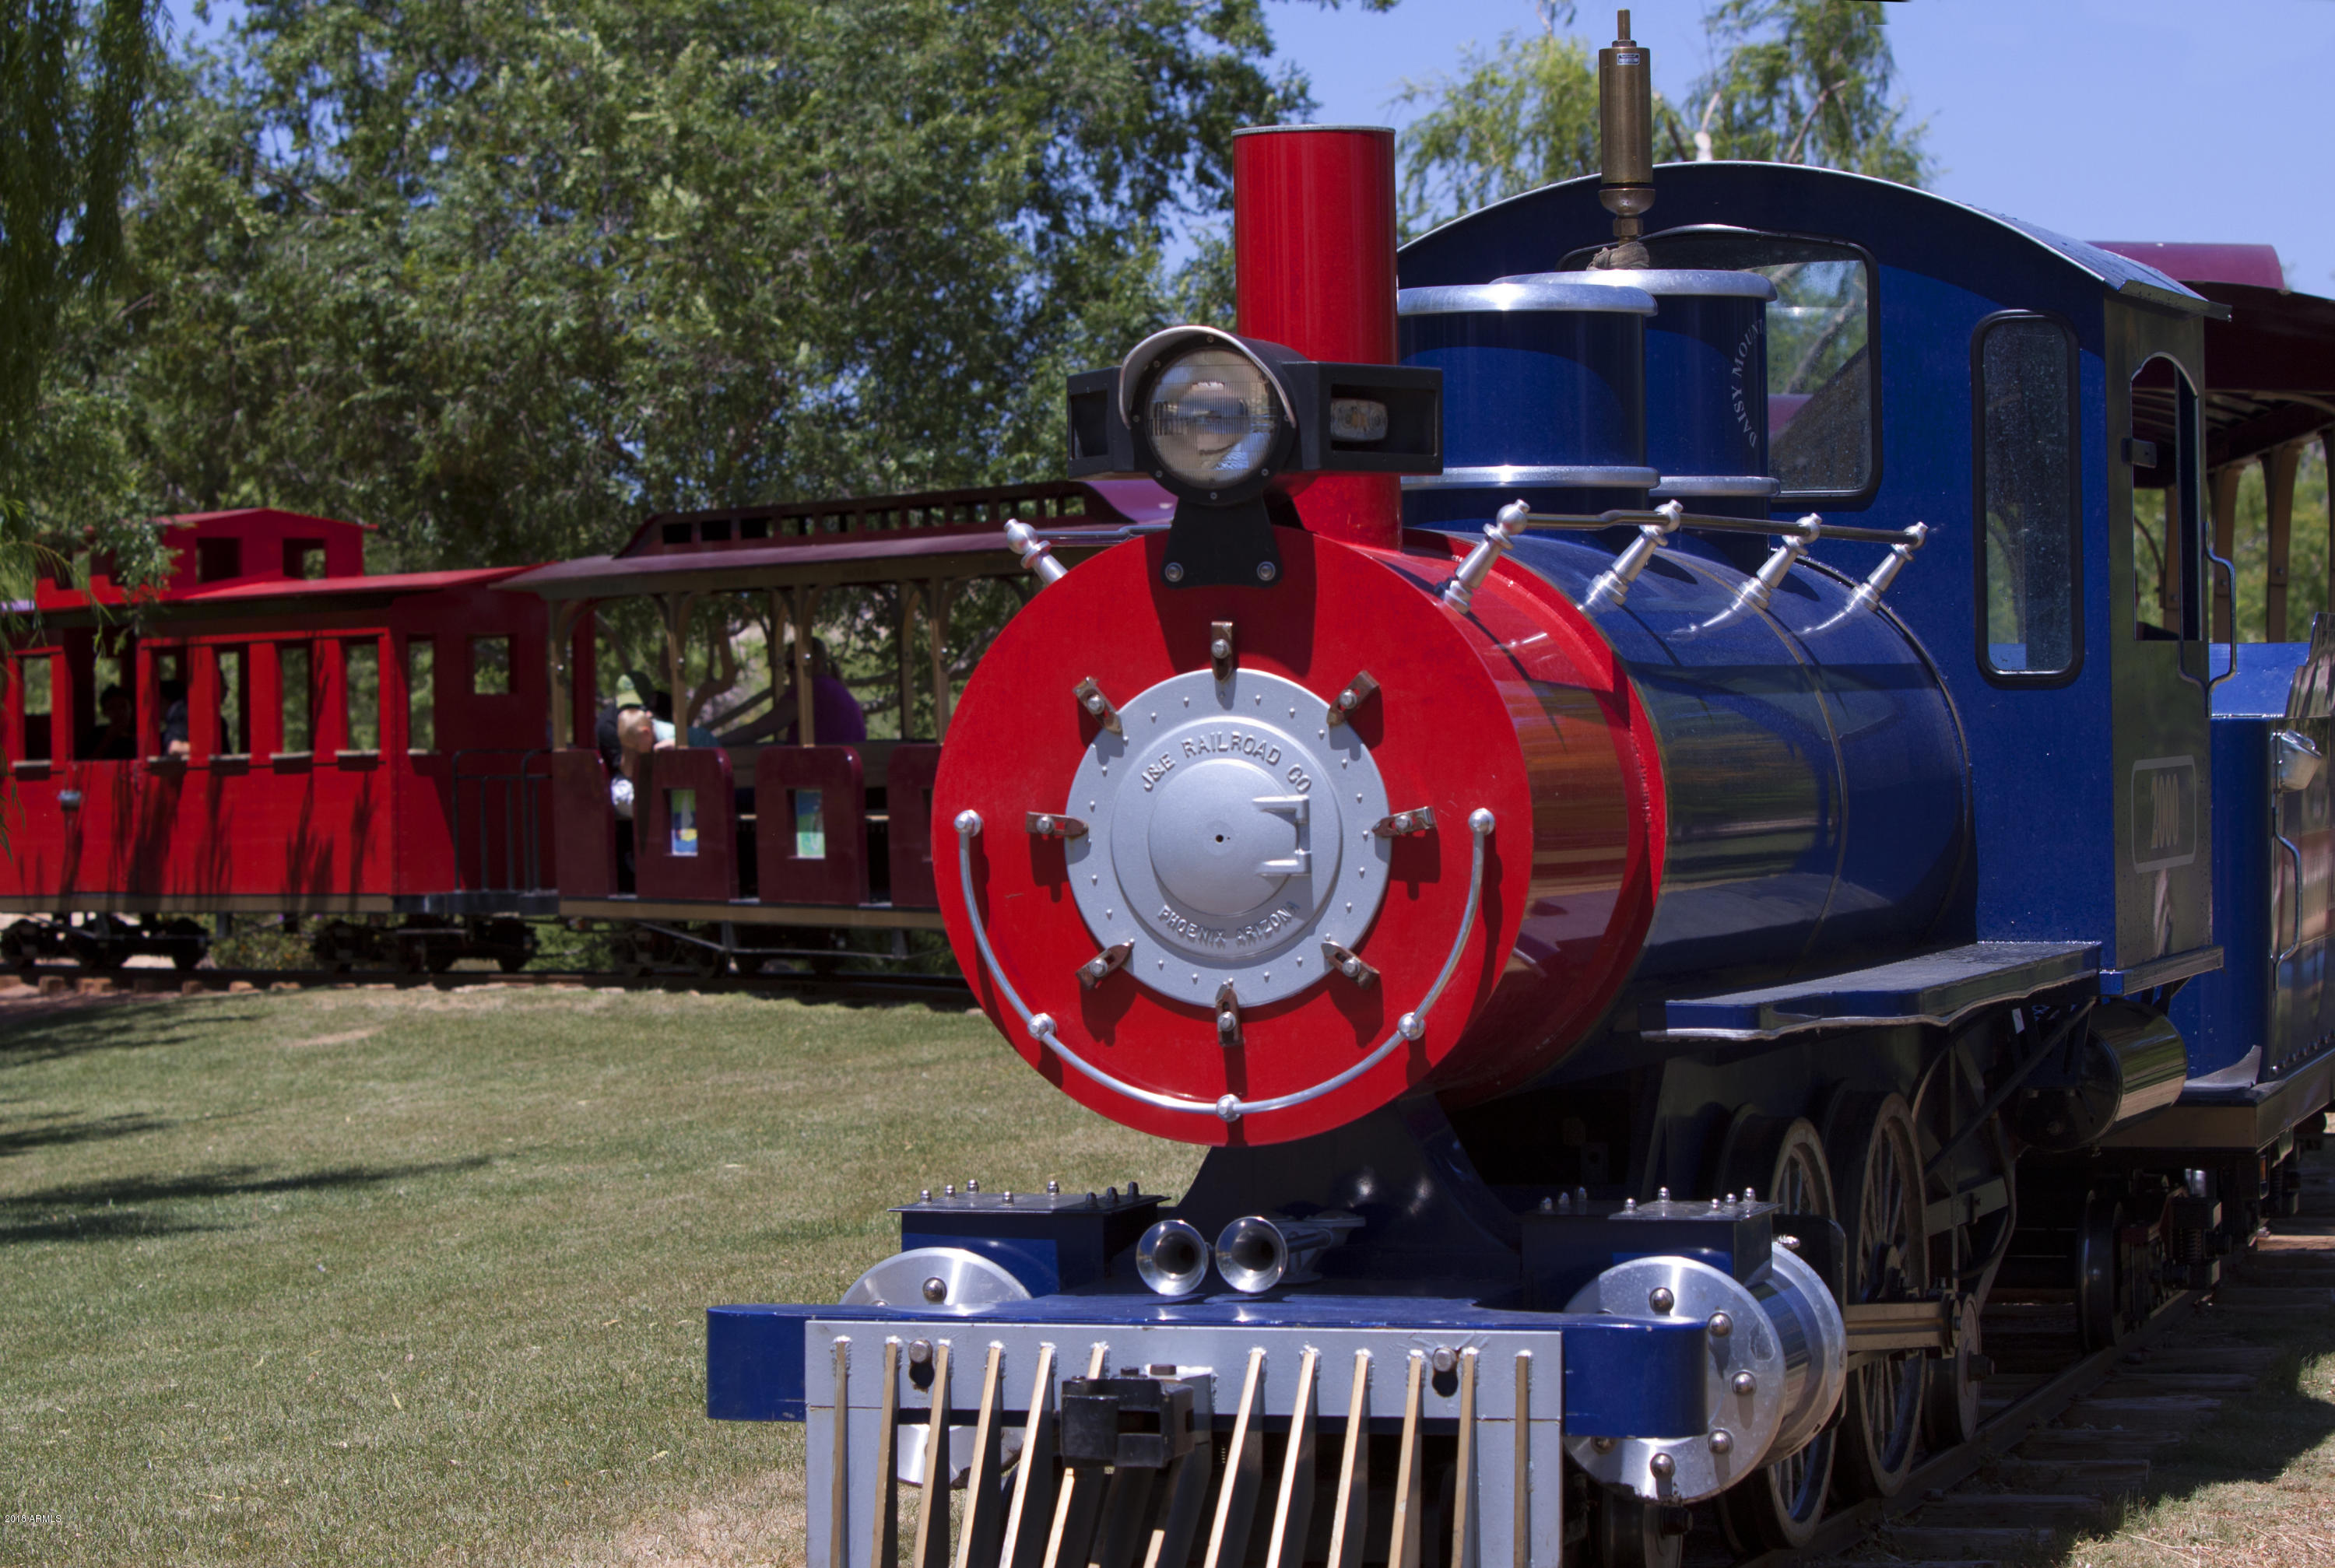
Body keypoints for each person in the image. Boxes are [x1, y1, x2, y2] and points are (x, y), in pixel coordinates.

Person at [779, 638, 867, 745]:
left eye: (792, 665)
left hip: (825, 761)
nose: (787, 670)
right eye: (786, 665)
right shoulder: (833, 687)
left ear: (815, 664)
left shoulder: (810, 690)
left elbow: (760, 728)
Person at [89, 686, 137, 760]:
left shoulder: (139, 733)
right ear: (104, 712)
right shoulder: (95, 736)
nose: (119, 712)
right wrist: (108, 738)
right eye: (112, 708)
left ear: (131, 708)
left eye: (123, 706)